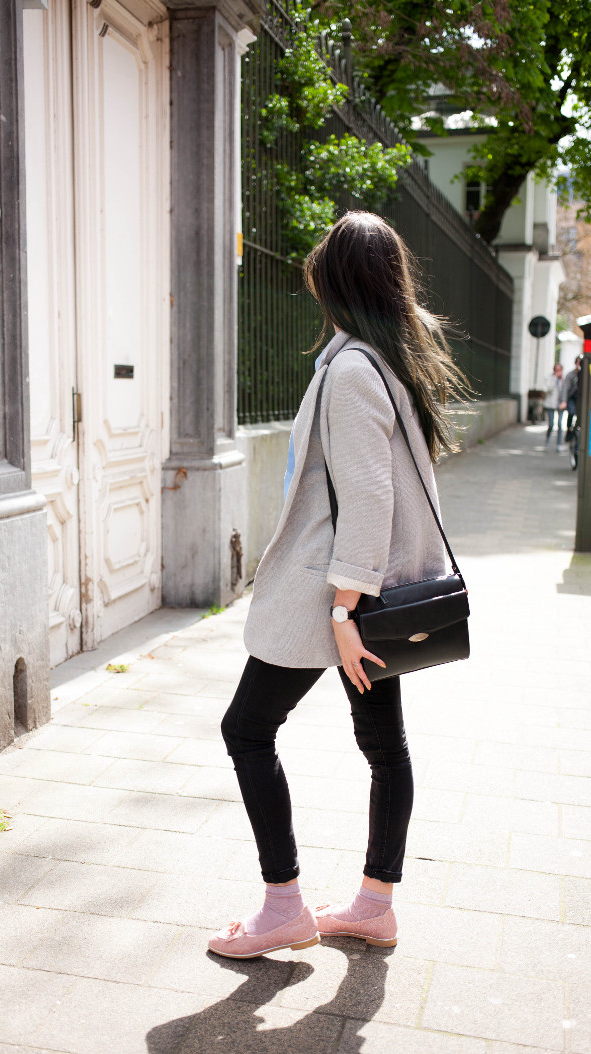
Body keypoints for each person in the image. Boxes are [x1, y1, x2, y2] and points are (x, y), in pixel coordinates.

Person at [209, 211, 468, 960]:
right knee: (384, 747)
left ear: (337, 281)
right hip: (371, 592)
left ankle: (285, 905)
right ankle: (372, 904)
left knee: (247, 729)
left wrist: (345, 610)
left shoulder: (354, 369)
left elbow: (369, 499)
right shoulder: (389, 361)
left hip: (339, 594)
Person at [543, 362, 565, 450]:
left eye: (559, 370)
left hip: (560, 405)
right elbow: (549, 389)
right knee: (551, 424)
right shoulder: (549, 377)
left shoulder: (564, 379)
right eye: (556, 370)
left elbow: (565, 391)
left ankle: (559, 444)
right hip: (550, 404)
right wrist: (555, 378)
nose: (558, 371)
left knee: (560, 424)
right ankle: (547, 440)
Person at [560, 356, 582, 439]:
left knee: (580, 415)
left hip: (580, 399)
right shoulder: (571, 375)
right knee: (571, 412)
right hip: (572, 398)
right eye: (578, 362)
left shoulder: (585, 374)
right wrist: (564, 401)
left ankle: (576, 429)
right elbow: (565, 388)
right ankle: (569, 429)